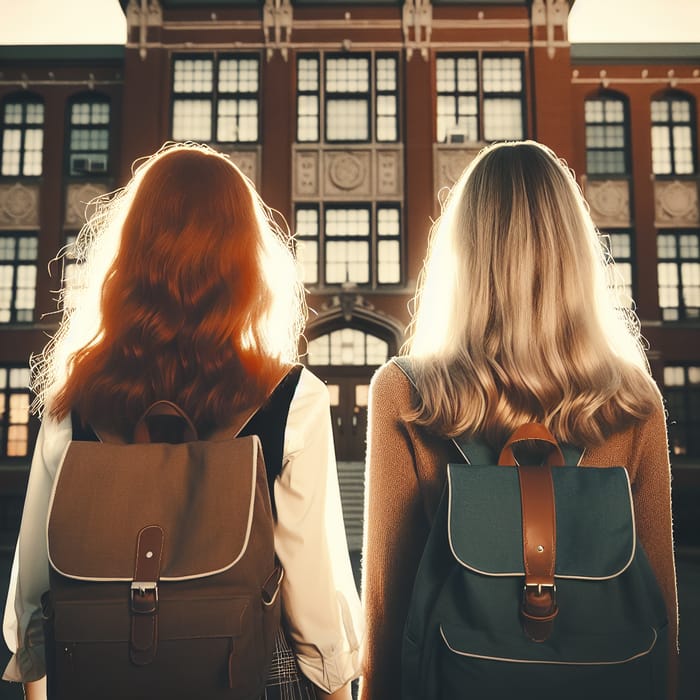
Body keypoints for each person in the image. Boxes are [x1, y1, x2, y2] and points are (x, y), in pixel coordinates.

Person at [2, 142, 361, 700]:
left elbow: (34, 598)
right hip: (252, 675)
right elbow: (315, 614)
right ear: (245, 260)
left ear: (132, 254)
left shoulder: (75, 400)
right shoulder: (291, 399)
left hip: (102, 673)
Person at [360, 140, 679, 699]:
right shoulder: (634, 403)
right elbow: (661, 621)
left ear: (462, 256)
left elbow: (387, 622)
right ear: (575, 255)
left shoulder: (407, 394)